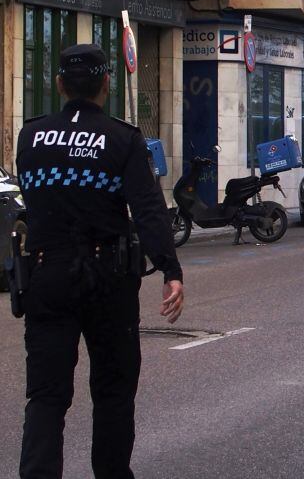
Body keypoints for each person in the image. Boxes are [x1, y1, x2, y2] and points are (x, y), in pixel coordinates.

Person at [15, 43, 184, 478]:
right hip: (106, 276)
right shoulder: (122, 139)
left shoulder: (31, 136)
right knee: (112, 390)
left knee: (46, 396)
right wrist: (170, 269)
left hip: (45, 274)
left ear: (59, 85)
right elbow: (147, 208)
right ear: (107, 85)